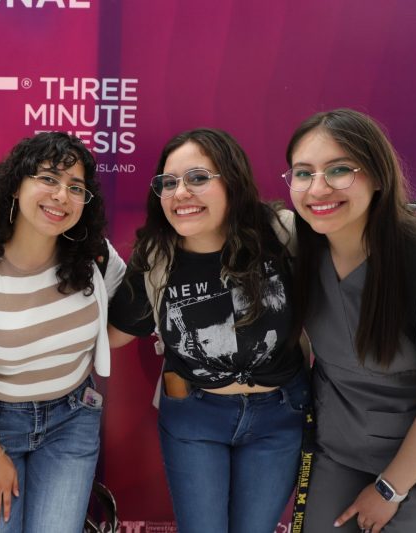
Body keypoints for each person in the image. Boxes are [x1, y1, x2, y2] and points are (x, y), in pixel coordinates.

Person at [107, 129, 309, 533]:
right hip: (194, 416)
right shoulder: (156, 255)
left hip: (280, 414)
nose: (180, 192)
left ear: (232, 181)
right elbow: (115, 333)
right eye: (168, 183)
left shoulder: (282, 232)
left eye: (198, 178)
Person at [0, 132, 125, 532]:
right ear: (17, 185)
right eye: (48, 178)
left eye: (75, 187)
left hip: (72, 422)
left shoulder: (94, 256)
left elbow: (122, 302)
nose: (61, 196)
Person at [284, 108, 416, 533]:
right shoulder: (302, 254)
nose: (317, 188)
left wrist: (390, 489)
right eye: (303, 173)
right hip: (338, 454)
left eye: (339, 170)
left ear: (377, 176)